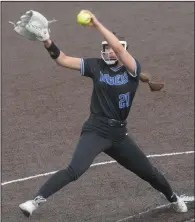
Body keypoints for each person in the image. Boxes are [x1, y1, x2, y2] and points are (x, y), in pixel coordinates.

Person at [19, 10, 187, 217]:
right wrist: (47, 41)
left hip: (118, 135)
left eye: (112, 49)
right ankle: (34, 202)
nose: (109, 52)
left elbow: (117, 45)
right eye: (105, 49)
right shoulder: (96, 66)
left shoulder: (132, 70)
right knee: (74, 170)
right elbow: (62, 60)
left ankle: (174, 198)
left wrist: (97, 24)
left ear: (122, 51)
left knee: (148, 172)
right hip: (96, 130)